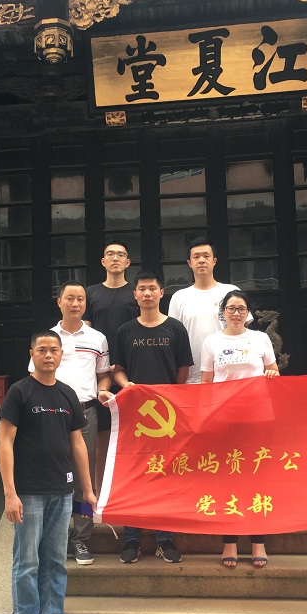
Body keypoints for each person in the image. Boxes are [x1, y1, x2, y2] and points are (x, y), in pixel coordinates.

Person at [0, 330, 97, 614]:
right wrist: (10, 494)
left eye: (54, 349)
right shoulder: (19, 392)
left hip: (62, 492)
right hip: (28, 493)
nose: (49, 355)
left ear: (61, 354)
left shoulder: (67, 394)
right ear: (32, 354)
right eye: (42, 350)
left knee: (55, 562)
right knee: (27, 563)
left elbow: (78, 443)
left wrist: (87, 489)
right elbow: (5, 443)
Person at [105, 270, 193, 564]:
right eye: (141, 289)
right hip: (135, 416)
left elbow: (184, 370)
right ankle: (132, 539)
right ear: (135, 294)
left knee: (166, 474)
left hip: (168, 416)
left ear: (161, 293)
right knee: (134, 475)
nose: (147, 293)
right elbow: (117, 370)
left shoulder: (175, 328)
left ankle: (165, 540)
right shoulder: (125, 330)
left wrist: (170, 396)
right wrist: (126, 386)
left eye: (152, 288)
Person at [28, 281, 111, 567]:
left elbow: (103, 375)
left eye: (81, 299)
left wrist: (103, 389)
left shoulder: (98, 339)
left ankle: (81, 538)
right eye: (70, 298)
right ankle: (57, 538)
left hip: (85, 414)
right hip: (50, 415)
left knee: (84, 477)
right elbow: (34, 376)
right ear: (59, 302)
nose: (75, 304)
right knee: (53, 474)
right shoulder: (48, 339)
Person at [200, 290, 279, 568]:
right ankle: (229, 542)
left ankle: (258, 542)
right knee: (228, 478)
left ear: (248, 313)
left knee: (257, 477)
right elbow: (206, 383)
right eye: (231, 308)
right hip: (225, 419)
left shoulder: (260, 338)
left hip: (258, 417)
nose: (236, 313)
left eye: (241, 309)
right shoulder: (212, 341)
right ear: (223, 312)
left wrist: (272, 374)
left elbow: (274, 372)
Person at [84, 241, 138, 491]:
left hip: (130, 371)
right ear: (103, 261)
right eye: (110, 254)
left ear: (128, 262)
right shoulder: (91, 292)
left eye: (120, 254)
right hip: (101, 373)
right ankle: (100, 492)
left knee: (133, 432)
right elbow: (85, 331)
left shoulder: (136, 292)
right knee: (102, 433)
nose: (115, 258)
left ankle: (130, 489)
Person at [168, 237, 248, 384]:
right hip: (191, 376)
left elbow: (244, 331)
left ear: (214, 261)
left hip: (227, 375)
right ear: (189, 263)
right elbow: (174, 337)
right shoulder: (179, 297)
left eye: (206, 256)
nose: (201, 260)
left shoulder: (230, 292)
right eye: (196, 257)